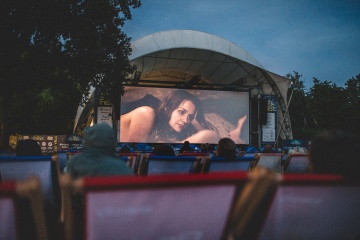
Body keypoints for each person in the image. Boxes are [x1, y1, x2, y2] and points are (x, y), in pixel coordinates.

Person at [120, 89, 220, 143]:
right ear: (167, 108)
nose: (186, 120)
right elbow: (135, 156)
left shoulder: (168, 132)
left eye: (190, 117)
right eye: (181, 112)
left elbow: (212, 138)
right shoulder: (146, 113)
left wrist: (195, 121)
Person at [66, 123, 134, 179]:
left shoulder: (74, 163)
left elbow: (67, 188)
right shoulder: (123, 169)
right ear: (113, 143)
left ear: (86, 141)